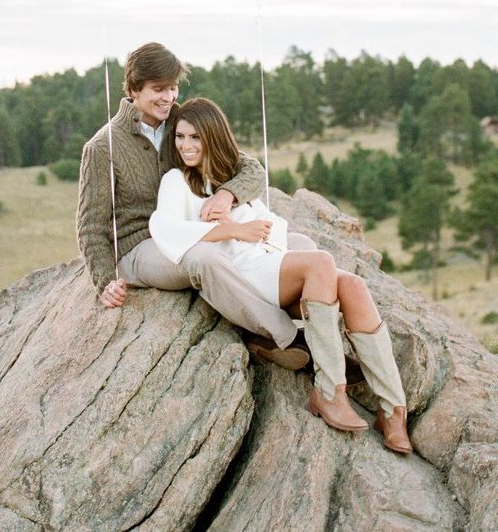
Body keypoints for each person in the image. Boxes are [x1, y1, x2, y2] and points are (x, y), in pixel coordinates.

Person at [149, 97, 412, 454]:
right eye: (180, 137)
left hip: (270, 262)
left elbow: (270, 223)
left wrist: (238, 212)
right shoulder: (176, 181)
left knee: (353, 285)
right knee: (320, 262)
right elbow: (165, 229)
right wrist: (233, 232)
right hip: (245, 274)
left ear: (213, 136)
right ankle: (329, 391)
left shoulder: (233, 180)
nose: (186, 146)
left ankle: (393, 411)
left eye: (195, 137)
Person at [76, 42, 318, 370]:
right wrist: (104, 280)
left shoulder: (184, 122)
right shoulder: (102, 147)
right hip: (142, 247)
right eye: (158, 89)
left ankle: (319, 326)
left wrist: (227, 195)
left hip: (200, 227)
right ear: (133, 89)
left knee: (299, 245)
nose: (168, 97)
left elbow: (251, 170)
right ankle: (285, 338)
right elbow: (90, 225)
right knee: (205, 258)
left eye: (173, 88)